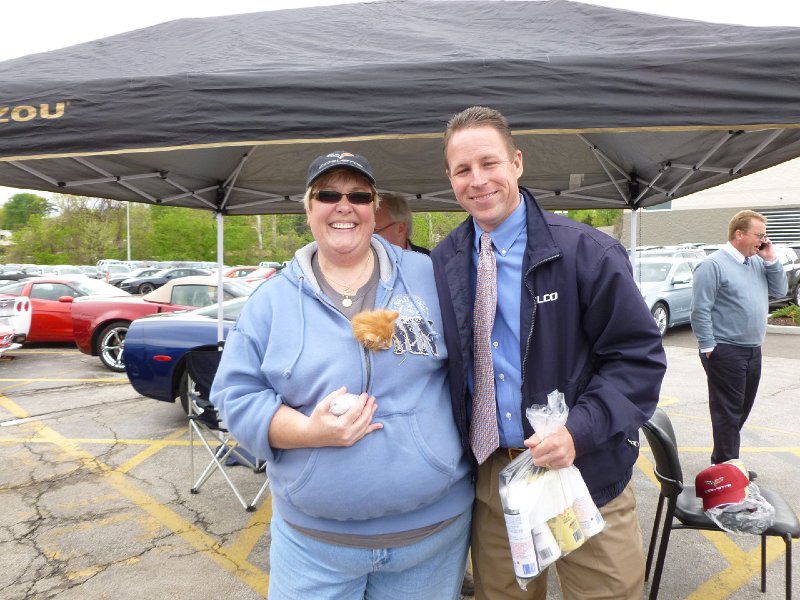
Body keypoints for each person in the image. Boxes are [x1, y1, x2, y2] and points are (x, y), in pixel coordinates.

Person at [210, 151, 473, 600]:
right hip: (314, 546)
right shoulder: (272, 299)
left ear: (374, 207)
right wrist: (309, 431)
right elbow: (235, 396)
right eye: (328, 194)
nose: (344, 205)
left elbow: (480, 363)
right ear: (308, 209)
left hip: (431, 539)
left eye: (359, 195)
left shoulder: (431, 277)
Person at [430, 106, 668, 600]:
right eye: (462, 170)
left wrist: (577, 432)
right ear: (450, 178)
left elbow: (637, 360)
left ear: (516, 162)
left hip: (582, 471)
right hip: (496, 476)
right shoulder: (445, 260)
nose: (478, 180)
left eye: (489, 163)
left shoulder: (587, 252)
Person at [690, 210, 787, 465]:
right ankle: (726, 466)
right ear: (739, 234)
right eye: (759, 235)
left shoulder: (756, 261)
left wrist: (770, 259)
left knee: (741, 408)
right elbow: (700, 308)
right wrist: (709, 347)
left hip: (753, 349)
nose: (763, 240)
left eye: (765, 236)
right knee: (728, 411)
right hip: (725, 350)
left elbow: (780, 290)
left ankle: (726, 462)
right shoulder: (713, 265)